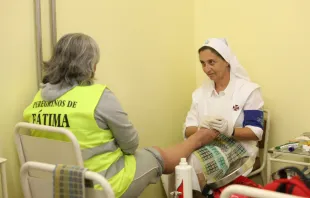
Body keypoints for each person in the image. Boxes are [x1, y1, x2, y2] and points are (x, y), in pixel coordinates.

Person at [23, 33, 218, 198]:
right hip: (98, 185)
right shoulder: (98, 95)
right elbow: (131, 145)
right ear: (90, 65)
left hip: (51, 185)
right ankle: (199, 139)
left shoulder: (38, 97)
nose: (207, 68)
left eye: (211, 62)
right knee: (156, 155)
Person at [184, 38, 264, 192]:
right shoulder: (199, 94)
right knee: (173, 164)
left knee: (191, 164)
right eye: (202, 63)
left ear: (226, 61)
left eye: (211, 62)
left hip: (240, 149)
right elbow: (188, 129)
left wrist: (230, 130)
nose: (206, 69)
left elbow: (256, 132)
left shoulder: (248, 91)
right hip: (205, 144)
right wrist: (202, 128)